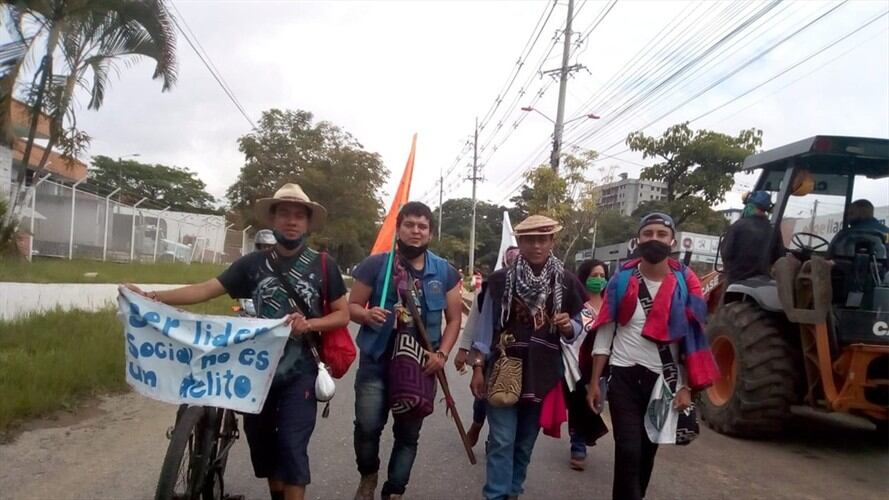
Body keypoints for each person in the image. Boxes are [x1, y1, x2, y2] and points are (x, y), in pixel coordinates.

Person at [126, 183, 350, 500]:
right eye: (284, 213)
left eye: (298, 215)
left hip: (300, 372)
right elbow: (205, 289)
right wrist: (153, 297)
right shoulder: (252, 264)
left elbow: (342, 315)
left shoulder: (324, 265)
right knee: (262, 445)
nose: (291, 220)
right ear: (272, 220)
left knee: (291, 446)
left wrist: (310, 324)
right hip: (254, 373)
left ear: (307, 222)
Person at [587, 212, 719, 500]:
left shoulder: (687, 284)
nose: (654, 239)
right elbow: (605, 334)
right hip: (623, 376)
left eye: (661, 234)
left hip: (664, 383)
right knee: (628, 450)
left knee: (647, 452)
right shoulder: (620, 282)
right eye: (648, 234)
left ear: (672, 240)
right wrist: (595, 382)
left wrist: (688, 388)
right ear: (638, 240)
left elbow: (693, 340)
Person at [349, 201, 463, 500]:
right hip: (376, 361)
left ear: (430, 232)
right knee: (367, 427)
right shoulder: (376, 265)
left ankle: (394, 491)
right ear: (398, 228)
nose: (416, 231)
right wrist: (366, 314)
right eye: (410, 224)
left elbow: (454, 320)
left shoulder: (445, 272)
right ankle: (368, 474)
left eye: (422, 226)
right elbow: (350, 306)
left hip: (420, 366)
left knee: (408, 435)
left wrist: (443, 354)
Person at [469, 215, 587, 500]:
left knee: (523, 443)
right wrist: (477, 367)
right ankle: (495, 495)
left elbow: (585, 317)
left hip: (543, 373)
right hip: (503, 368)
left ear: (552, 242)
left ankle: (513, 491)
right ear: (519, 242)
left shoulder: (567, 281)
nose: (536, 245)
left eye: (542, 239)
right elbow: (484, 327)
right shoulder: (499, 281)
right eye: (529, 239)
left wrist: (569, 325)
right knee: (501, 440)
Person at [454, 246, 520, 448]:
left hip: (518, 355)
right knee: (483, 394)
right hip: (490, 349)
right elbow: (475, 320)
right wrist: (464, 350)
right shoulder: (493, 285)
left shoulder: (533, 287)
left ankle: (496, 437)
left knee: (507, 398)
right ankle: (477, 424)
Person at [563, 258, 610, 471]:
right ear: (585, 278)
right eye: (594, 276)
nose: (598, 280)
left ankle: (586, 435)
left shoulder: (612, 305)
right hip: (577, 363)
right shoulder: (577, 304)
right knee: (578, 404)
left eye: (602, 276)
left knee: (596, 405)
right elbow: (569, 332)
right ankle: (578, 445)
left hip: (604, 366)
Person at [721, 191, 784, 283]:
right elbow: (779, 256)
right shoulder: (774, 231)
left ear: (750, 206)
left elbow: (726, 252)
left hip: (736, 280)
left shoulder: (738, 226)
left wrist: (729, 270)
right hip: (764, 281)